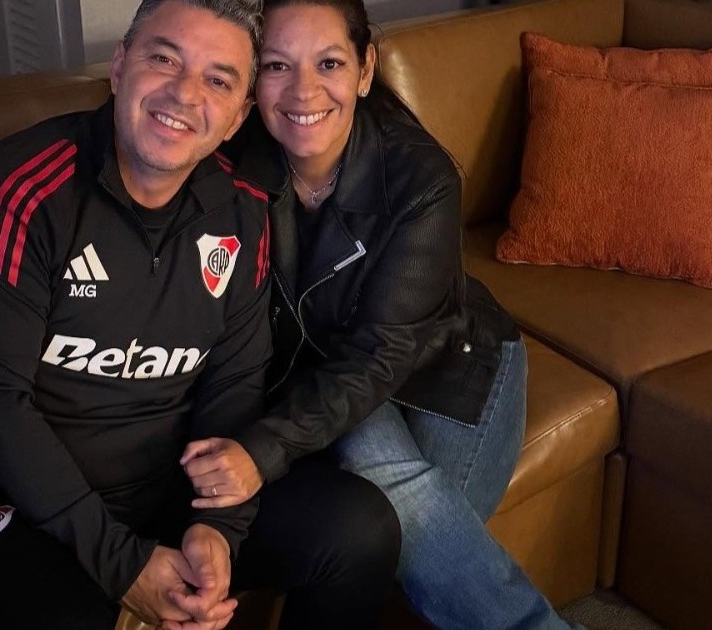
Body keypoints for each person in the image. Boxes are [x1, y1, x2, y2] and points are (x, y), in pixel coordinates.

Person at [0, 1, 400, 628]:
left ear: (237, 117)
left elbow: (233, 385)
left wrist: (217, 527)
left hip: (167, 485)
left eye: (218, 80)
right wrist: (121, 564)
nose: (184, 94)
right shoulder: (17, 194)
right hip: (23, 498)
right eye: (164, 59)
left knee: (360, 529)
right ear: (120, 67)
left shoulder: (243, 211)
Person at [182, 1, 577, 628]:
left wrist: (261, 450)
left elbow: (379, 356)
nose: (303, 91)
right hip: (333, 369)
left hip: (447, 363)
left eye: (329, 63)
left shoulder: (420, 178)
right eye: (278, 65)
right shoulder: (234, 158)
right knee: (386, 518)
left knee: (403, 528)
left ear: (365, 69)